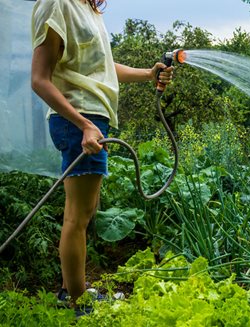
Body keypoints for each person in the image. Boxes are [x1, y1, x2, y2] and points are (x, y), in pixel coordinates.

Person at [30, 0, 173, 309]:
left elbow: (102, 69)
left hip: (92, 118)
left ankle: (72, 290)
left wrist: (149, 74)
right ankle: (79, 302)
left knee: (84, 210)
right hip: (78, 118)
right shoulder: (57, 3)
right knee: (78, 216)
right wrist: (83, 125)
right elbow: (39, 79)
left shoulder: (87, 9)